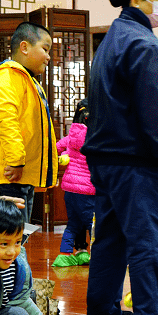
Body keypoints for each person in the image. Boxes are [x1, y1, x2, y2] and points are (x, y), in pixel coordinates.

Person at [81, 0, 158, 315]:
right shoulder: (144, 43)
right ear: (137, 0)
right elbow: (153, 105)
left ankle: (103, 310)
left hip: (105, 156)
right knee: (150, 236)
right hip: (132, 158)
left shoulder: (114, 36)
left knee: (111, 236)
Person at [0, 22, 58, 222]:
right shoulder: (5, 78)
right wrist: (16, 161)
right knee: (8, 237)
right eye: (45, 49)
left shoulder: (27, 80)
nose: (48, 57)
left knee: (20, 235)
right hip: (6, 175)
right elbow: (6, 121)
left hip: (20, 174)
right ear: (24, 47)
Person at [53, 99, 96, 267]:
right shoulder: (96, 138)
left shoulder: (71, 136)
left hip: (70, 190)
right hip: (88, 191)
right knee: (93, 225)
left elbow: (55, 148)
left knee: (72, 224)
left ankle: (65, 255)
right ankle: (96, 256)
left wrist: (62, 158)